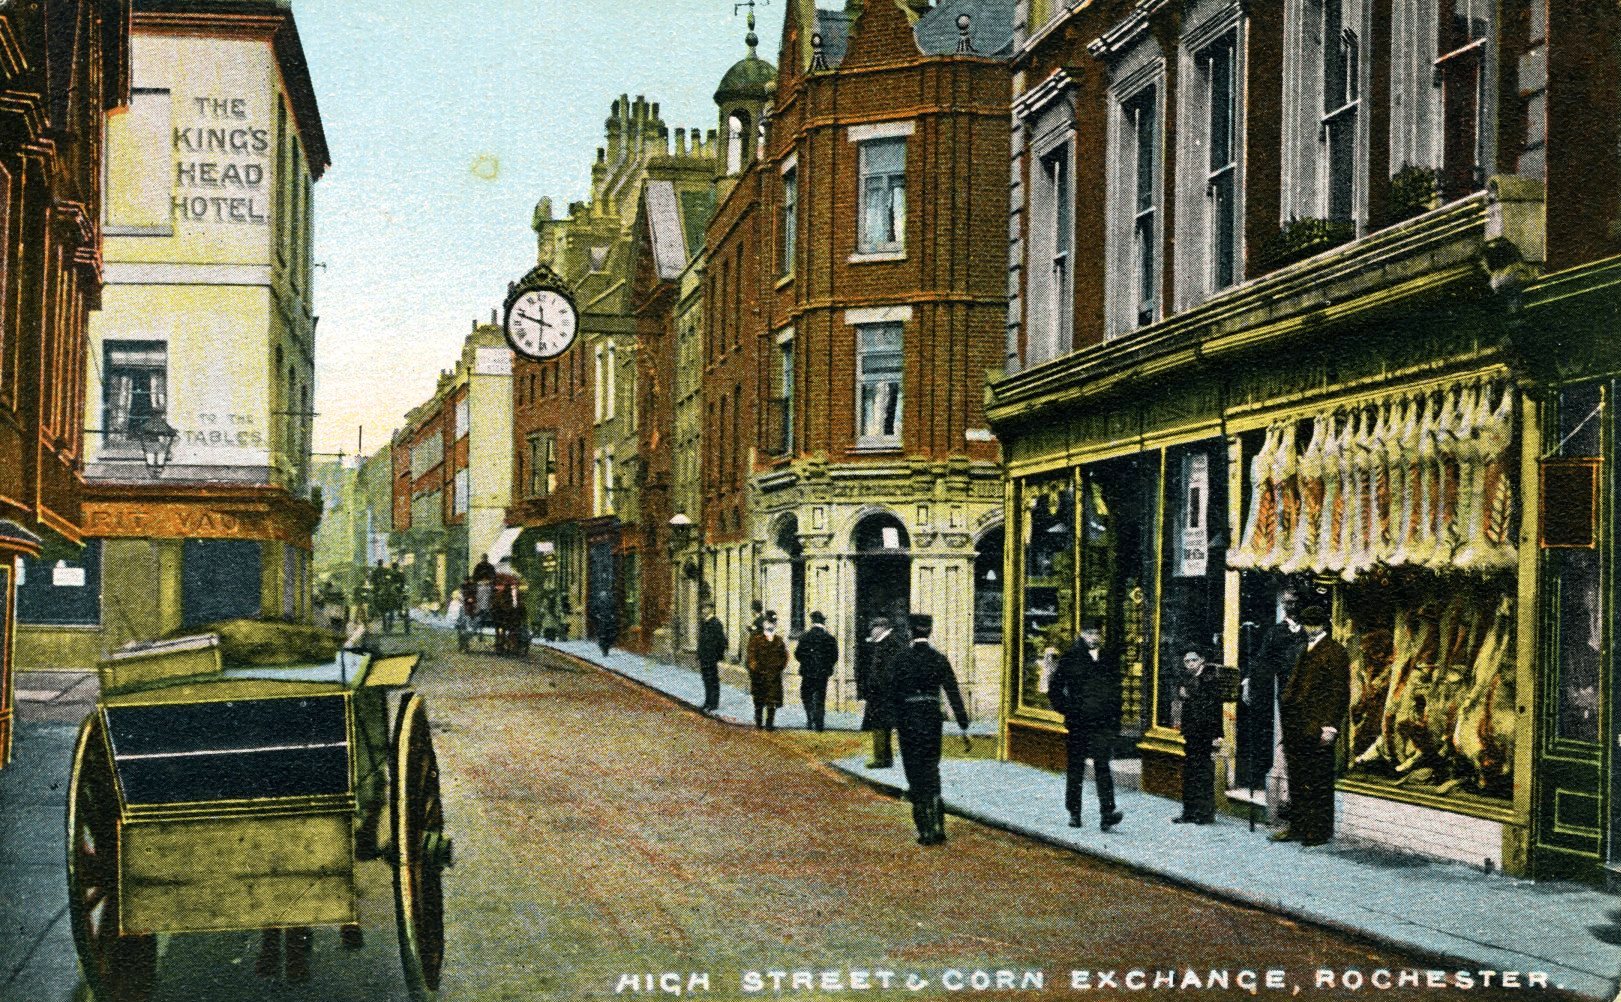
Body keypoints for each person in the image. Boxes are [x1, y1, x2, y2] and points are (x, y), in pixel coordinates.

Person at [890, 613, 971, 845]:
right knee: (931, 769)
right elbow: (953, 692)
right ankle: (938, 825)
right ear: (930, 631)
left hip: (908, 721)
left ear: (910, 632)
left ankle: (925, 830)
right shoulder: (939, 659)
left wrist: (893, 720)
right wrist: (963, 723)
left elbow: (890, 693)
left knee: (914, 772)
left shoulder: (900, 659)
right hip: (932, 721)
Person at [1273, 605, 1350, 847]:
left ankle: (1317, 831)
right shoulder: (1303, 648)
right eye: (1307, 624)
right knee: (1297, 777)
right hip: (1296, 725)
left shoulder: (1335, 651)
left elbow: (1339, 692)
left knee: (1318, 779)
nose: (1310, 628)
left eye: (1314, 624)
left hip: (1316, 726)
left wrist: (1330, 727)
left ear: (1323, 625)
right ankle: (1298, 826)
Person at [1047, 620, 1124, 831]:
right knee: (1076, 768)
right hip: (1078, 723)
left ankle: (1107, 813)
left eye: (1097, 633)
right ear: (1081, 634)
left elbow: (1116, 691)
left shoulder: (1108, 658)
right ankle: (1074, 812)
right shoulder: (1070, 658)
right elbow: (1055, 690)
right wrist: (1069, 709)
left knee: (1102, 766)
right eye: (1089, 633)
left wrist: (1115, 720)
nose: (1093, 637)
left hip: (1102, 723)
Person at [1240, 585, 1306, 790]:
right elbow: (1261, 660)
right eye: (1286, 603)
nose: (1290, 607)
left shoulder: (1309, 630)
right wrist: (1248, 682)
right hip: (1287, 693)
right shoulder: (1276, 632)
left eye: (1293, 602)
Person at [1174, 647, 1224, 825]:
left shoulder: (1210, 678)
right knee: (1190, 771)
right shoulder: (1187, 678)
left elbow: (1214, 707)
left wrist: (1218, 734)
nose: (1190, 664)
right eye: (1186, 661)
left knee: (1203, 771)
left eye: (1193, 660)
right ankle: (1189, 812)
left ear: (1202, 659)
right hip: (1191, 731)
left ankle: (1204, 813)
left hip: (1205, 731)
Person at [857, 616, 904, 768]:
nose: (871, 632)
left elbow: (888, 671)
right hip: (882, 693)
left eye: (873, 629)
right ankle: (885, 758)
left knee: (880, 725)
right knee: (882, 725)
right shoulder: (885, 643)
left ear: (881, 628)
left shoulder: (889, 643)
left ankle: (881, 759)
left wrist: (877, 686)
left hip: (883, 693)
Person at [795, 611, 838, 732]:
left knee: (806, 695)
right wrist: (827, 666)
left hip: (807, 672)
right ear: (823, 622)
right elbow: (834, 656)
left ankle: (810, 717)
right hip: (822, 673)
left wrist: (806, 662)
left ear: (812, 621)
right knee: (820, 697)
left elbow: (798, 654)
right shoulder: (829, 638)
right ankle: (819, 723)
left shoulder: (805, 636)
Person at [745, 610, 788, 730]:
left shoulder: (778, 640)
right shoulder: (756, 640)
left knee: (772, 701)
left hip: (773, 676)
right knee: (758, 700)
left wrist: (778, 668)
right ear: (764, 624)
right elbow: (751, 656)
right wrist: (755, 669)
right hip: (759, 676)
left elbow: (784, 656)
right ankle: (759, 722)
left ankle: (769, 723)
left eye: (773, 623)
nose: (771, 625)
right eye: (769, 622)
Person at [697, 602, 727, 714]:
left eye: (706, 608)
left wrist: (717, 656)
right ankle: (707, 701)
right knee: (706, 679)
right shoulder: (704, 622)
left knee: (712, 680)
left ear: (711, 609)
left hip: (711, 657)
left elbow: (721, 641)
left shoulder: (716, 623)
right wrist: (699, 654)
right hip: (704, 657)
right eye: (703, 608)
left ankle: (713, 703)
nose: (703, 610)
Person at [592, 592, 619, 657]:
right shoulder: (598, 603)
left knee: (608, 635)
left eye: (605, 596)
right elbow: (593, 611)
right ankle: (603, 649)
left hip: (608, 621)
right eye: (602, 596)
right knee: (602, 636)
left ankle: (606, 648)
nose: (604, 597)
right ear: (600, 597)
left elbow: (614, 609)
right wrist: (597, 615)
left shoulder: (609, 603)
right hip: (601, 621)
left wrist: (612, 615)